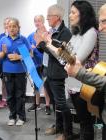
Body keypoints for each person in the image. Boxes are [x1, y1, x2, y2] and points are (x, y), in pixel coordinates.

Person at [43, 1, 99, 140]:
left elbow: (75, 60)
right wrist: (50, 44)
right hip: (73, 83)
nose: (69, 15)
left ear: (83, 14)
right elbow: (65, 59)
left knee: (86, 122)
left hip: (84, 84)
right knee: (82, 119)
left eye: (73, 12)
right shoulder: (76, 33)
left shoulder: (91, 32)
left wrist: (61, 52)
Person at [37, 4, 73, 140]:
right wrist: (40, 45)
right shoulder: (51, 30)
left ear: (57, 17)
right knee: (54, 102)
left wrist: (43, 43)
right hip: (47, 70)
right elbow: (46, 50)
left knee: (62, 103)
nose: (47, 19)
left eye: (48, 16)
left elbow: (58, 54)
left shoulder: (65, 33)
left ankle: (67, 133)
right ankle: (58, 126)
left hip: (57, 73)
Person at [0, 18, 31, 126]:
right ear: (7, 28)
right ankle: (12, 116)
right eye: (10, 26)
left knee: (20, 95)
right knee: (10, 95)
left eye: (14, 26)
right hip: (7, 71)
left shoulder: (23, 39)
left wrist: (19, 56)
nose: (12, 28)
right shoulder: (3, 40)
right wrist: (3, 52)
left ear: (18, 27)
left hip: (20, 71)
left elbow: (31, 55)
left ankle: (21, 117)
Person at [27, 15, 51, 115]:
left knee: (46, 85)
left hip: (45, 64)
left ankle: (47, 105)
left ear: (43, 22)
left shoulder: (48, 34)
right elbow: (27, 51)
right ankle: (37, 104)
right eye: (35, 21)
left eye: (39, 21)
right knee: (36, 85)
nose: (37, 23)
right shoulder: (30, 36)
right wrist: (31, 49)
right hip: (34, 64)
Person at [0, 17, 13, 109]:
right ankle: (4, 99)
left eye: (9, 24)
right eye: (5, 24)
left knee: (14, 83)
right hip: (3, 64)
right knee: (4, 82)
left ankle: (12, 100)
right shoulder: (0, 37)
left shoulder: (18, 36)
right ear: (4, 26)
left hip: (14, 65)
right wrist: (3, 52)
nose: (7, 25)